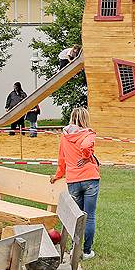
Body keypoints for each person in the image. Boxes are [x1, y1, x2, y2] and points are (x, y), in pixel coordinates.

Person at [49, 107, 100, 259]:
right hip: (90, 178)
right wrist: (86, 156)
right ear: (85, 119)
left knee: (76, 216)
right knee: (89, 216)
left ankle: (73, 249)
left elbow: (62, 160)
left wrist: (57, 175)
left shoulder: (65, 136)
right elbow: (85, 146)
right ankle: (86, 251)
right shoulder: (88, 134)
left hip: (73, 180)